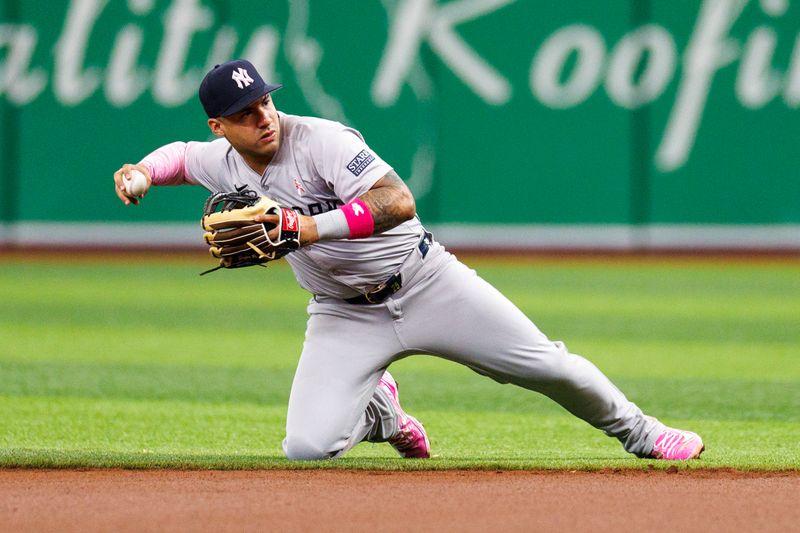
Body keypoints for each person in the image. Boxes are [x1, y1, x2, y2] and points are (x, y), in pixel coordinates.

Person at [113, 59, 704, 462]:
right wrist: (140, 171)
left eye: (264, 102)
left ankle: (646, 434)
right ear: (222, 126)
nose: (262, 117)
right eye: (244, 113)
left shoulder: (321, 139)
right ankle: (385, 416)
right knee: (306, 448)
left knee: (546, 367)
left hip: (426, 282)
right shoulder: (221, 158)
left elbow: (398, 200)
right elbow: (181, 157)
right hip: (343, 314)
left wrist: (307, 227)